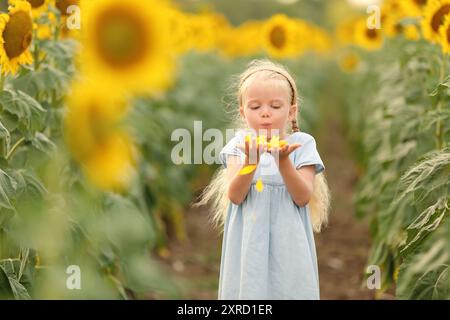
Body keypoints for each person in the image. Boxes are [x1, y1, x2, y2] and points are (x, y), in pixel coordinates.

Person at [196, 59, 331, 299]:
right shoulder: (239, 145)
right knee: (250, 289)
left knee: (288, 287)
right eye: (255, 106)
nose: (265, 112)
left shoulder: (302, 145)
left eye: (275, 106)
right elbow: (235, 196)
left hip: (289, 241)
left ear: (291, 111)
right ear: (243, 112)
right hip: (250, 241)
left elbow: (302, 197)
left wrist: (283, 162)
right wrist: (251, 161)